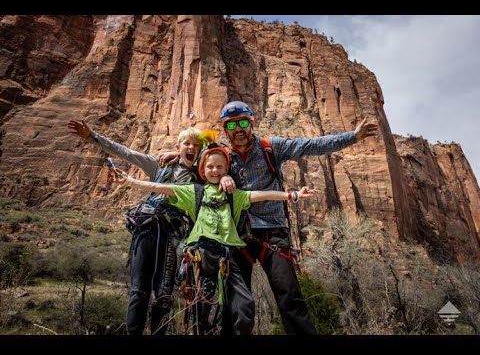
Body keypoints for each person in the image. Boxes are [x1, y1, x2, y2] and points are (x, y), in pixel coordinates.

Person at [109, 130, 317, 335]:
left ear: (227, 169)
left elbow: (262, 195)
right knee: (199, 308)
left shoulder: (235, 194)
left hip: (229, 256)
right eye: (210, 167)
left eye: (220, 167)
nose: (215, 170)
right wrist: (129, 181)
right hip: (202, 255)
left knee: (244, 308)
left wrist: (294, 195)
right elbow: (158, 187)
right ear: (202, 169)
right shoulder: (194, 191)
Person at [217, 100, 378, 335]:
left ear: (251, 123)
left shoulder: (271, 148)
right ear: (225, 129)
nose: (238, 129)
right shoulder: (221, 156)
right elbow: (197, 165)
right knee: (235, 304)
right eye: (231, 125)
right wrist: (218, 176)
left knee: (290, 298)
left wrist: (352, 137)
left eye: (243, 122)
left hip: (273, 233)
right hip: (238, 235)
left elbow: (311, 145)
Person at [67, 120, 203, 335]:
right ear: (179, 147)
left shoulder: (204, 174)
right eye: (187, 144)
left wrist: (177, 154)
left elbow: (221, 154)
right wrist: (92, 136)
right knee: (139, 290)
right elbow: (125, 153)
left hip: (172, 235)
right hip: (146, 229)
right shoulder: (158, 164)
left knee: (164, 294)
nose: (192, 148)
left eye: (197, 145)